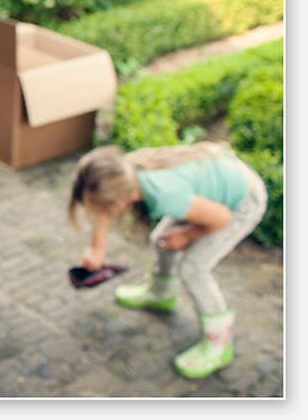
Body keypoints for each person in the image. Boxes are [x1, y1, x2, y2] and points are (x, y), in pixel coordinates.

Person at [67, 142, 267, 379]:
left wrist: (186, 235)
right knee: (160, 240)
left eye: (101, 207)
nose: (99, 213)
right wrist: (96, 248)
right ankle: (162, 295)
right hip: (215, 191)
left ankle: (220, 343)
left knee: (194, 268)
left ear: (119, 201)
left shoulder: (164, 195)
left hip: (242, 203)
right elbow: (103, 209)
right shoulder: (120, 172)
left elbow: (220, 218)